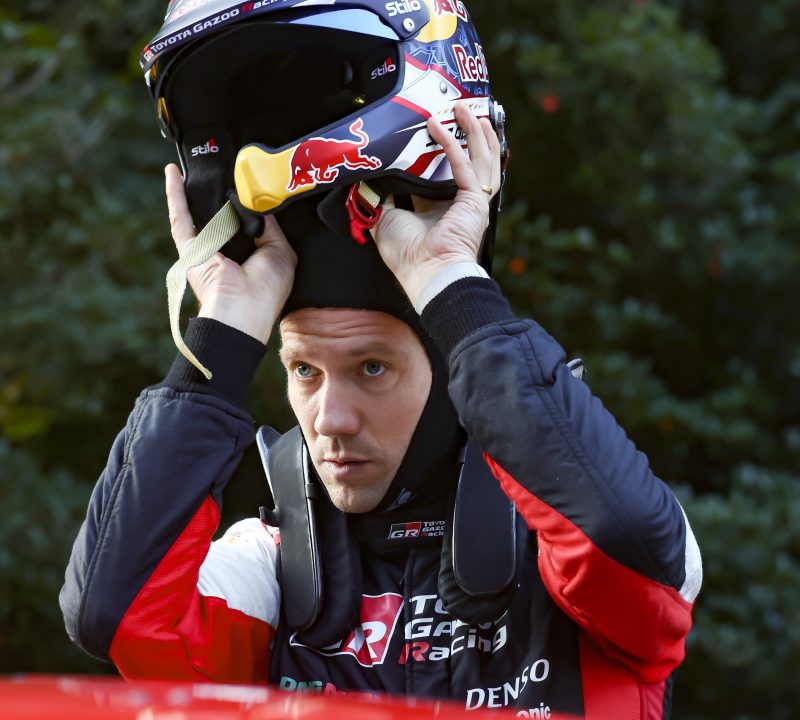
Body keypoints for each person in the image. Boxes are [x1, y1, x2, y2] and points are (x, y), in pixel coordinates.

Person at [61, 2, 702, 718]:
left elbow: (625, 539)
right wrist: (222, 332)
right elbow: (111, 611)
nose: (329, 420)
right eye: (304, 371)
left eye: (372, 368)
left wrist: (448, 281)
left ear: (455, 371)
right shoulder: (271, 568)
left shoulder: (569, 540)